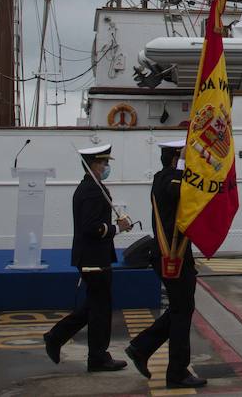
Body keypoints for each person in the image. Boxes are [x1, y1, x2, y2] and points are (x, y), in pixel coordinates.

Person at [124, 140, 207, 388]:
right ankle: (177, 372)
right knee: (182, 313)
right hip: (172, 257)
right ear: (175, 157)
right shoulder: (168, 179)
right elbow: (178, 191)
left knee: (181, 310)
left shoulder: (166, 176)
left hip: (176, 257)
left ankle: (141, 348)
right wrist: (184, 161)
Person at [44, 145, 132, 371]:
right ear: (92, 164)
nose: (106, 167)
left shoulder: (93, 187)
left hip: (94, 257)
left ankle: (59, 338)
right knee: (100, 310)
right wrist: (117, 228)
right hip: (94, 258)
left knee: (93, 307)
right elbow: (91, 228)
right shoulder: (92, 190)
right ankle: (96, 356)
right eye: (103, 163)